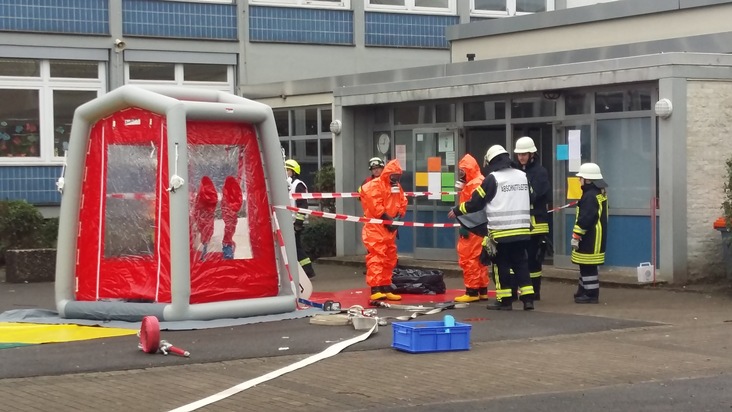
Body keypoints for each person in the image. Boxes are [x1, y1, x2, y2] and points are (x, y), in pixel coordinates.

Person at [448, 145, 535, 311]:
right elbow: (533, 196)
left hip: (501, 231)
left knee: (500, 264)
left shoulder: (492, 178)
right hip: (523, 230)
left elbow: (476, 202)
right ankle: (528, 299)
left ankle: (504, 301)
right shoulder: (523, 176)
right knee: (521, 264)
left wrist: (458, 210)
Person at [360, 159, 408, 301]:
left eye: (398, 176)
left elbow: (402, 202)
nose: (396, 179)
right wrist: (388, 220)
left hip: (389, 229)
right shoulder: (373, 185)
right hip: (376, 228)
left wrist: (398, 218)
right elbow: (375, 205)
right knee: (376, 257)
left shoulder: (396, 187)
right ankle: (376, 288)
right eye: (394, 176)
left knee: (390, 258)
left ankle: (386, 286)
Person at [513, 136, 551, 300]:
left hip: (537, 224)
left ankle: (535, 291)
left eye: (524, 154)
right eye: (519, 154)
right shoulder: (515, 171)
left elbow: (538, 195)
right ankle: (520, 289)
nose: (521, 157)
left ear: (532, 154)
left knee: (534, 260)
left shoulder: (540, 172)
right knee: (518, 258)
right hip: (520, 222)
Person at [451, 154, 490, 303]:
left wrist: (465, 225)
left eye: (462, 171)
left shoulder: (474, 184)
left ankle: (472, 291)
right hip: (479, 227)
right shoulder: (478, 181)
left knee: (469, 258)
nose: (461, 175)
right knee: (480, 259)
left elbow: (473, 207)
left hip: (472, 226)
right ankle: (482, 290)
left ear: (469, 170)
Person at [571, 162, 608, 304]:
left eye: (581, 178)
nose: (579, 181)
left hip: (590, 237)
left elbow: (586, 218)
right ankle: (583, 291)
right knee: (585, 266)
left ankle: (591, 294)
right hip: (595, 237)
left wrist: (576, 234)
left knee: (588, 268)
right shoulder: (598, 193)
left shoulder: (589, 196)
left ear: (588, 179)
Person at [285, 159, 316, 279]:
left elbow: (303, 205)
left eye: (287, 170)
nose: (285, 172)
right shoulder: (287, 184)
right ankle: (305, 271)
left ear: (293, 171)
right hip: (287, 222)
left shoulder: (298, 185)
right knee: (294, 247)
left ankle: (308, 270)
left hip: (294, 222)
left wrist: (298, 223)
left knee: (296, 248)